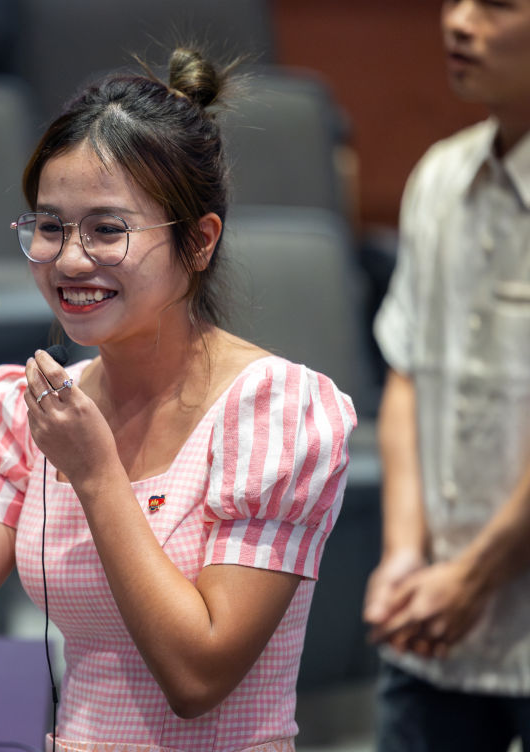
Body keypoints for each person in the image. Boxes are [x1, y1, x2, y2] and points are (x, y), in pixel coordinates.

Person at [0, 47, 357, 752]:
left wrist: (98, 474)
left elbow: (197, 676)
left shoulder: (273, 411)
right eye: (49, 226)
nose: (70, 260)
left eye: (108, 229)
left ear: (199, 242)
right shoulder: (36, 410)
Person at [362, 1, 530, 750]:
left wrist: (475, 577)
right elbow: (407, 373)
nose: (458, 21)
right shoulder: (438, 175)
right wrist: (405, 553)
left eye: (495, 3)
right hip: (430, 625)